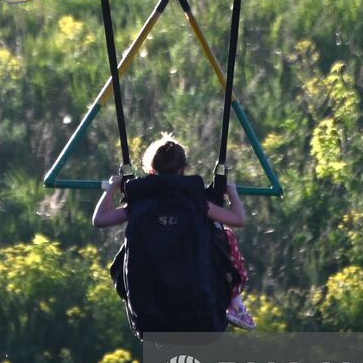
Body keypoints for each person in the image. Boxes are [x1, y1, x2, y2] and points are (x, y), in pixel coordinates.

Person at [93, 134, 256, 329]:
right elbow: (239, 219)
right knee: (225, 235)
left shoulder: (140, 204)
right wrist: (232, 192)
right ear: (183, 168)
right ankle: (236, 304)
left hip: (149, 317)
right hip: (199, 313)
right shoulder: (197, 204)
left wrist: (111, 189)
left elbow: (100, 219)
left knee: (132, 243)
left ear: (151, 169)